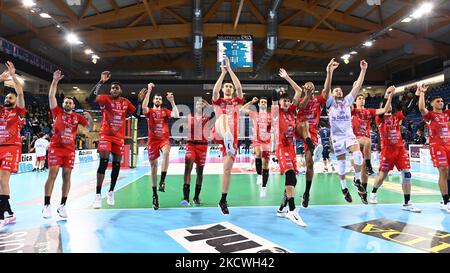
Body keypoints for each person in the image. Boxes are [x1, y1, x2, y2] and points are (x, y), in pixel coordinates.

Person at [279, 58, 339, 207]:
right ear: (304, 88)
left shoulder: (319, 100)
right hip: (298, 128)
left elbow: (327, 89)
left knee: (310, 164)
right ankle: (313, 147)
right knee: (304, 124)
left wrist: (329, 72)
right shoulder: (300, 100)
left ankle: (306, 193)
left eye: (311, 86)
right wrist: (306, 93)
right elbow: (302, 105)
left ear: (314, 90)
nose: (309, 86)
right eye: (307, 86)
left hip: (311, 134)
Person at [42, 70, 93, 218]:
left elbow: (90, 128)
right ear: (63, 103)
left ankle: (63, 206)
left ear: (73, 105)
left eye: (70, 102)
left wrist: (89, 118)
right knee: (52, 175)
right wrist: (55, 81)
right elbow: (51, 95)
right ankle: (46, 205)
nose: (68, 103)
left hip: (70, 150)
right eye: (66, 102)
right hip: (56, 149)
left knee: (67, 177)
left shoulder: (77, 117)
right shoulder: (57, 112)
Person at [89, 71, 136, 209]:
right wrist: (101, 82)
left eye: (117, 88)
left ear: (120, 90)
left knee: (116, 165)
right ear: (110, 90)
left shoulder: (126, 102)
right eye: (113, 88)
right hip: (105, 134)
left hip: (119, 137)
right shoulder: (105, 98)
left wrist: (139, 101)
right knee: (103, 161)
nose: (114, 90)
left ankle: (111, 192)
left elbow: (137, 113)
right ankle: (98, 195)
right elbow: (90, 99)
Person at [369, 85, 421, 212]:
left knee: (407, 174)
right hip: (387, 151)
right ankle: (373, 192)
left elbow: (409, 109)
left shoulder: (396, 116)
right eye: (387, 105)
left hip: (400, 150)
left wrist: (418, 93)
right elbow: (385, 106)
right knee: (382, 175)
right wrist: (389, 94)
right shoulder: (379, 119)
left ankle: (407, 203)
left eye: (390, 105)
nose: (389, 106)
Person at [326, 60, 368, 203]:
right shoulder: (330, 104)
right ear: (332, 94)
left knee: (358, 156)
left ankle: (356, 180)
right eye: (336, 90)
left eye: (340, 90)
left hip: (349, 134)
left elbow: (358, 87)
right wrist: (330, 72)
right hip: (337, 137)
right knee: (342, 164)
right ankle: (344, 188)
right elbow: (327, 88)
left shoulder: (347, 102)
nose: (339, 91)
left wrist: (363, 70)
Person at [272, 86, 313, 227]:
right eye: (283, 100)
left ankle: (281, 208)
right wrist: (276, 95)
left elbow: (298, 92)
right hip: (281, 148)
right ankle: (292, 210)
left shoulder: (291, 111)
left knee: (293, 180)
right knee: (289, 175)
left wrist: (287, 77)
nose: (286, 102)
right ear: (278, 102)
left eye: (288, 101)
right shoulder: (276, 111)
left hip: (291, 148)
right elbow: (274, 102)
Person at [211, 56, 244, 215]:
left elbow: (239, 87)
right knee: (223, 118)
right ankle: (227, 136)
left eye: (230, 86)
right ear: (224, 90)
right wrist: (223, 73)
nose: (230, 88)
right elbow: (215, 91)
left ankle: (223, 200)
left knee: (227, 170)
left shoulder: (237, 101)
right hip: (219, 132)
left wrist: (230, 69)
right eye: (227, 86)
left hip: (233, 140)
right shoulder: (218, 101)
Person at [140, 83, 179, 210]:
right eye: (156, 98)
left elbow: (177, 115)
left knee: (167, 152)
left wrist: (172, 102)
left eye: (160, 99)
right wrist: (150, 90)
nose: (158, 100)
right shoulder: (150, 111)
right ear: (153, 100)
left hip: (163, 139)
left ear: (162, 101)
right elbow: (144, 106)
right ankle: (155, 195)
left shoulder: (165, 111)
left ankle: (162, 181)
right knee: (153, 167)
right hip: (152, 142)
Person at [0, 61, 25, 228]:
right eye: (6, 97)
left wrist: (13, 75)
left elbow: (21, 93)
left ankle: (1, 216)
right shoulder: (1, 110)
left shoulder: (19, 111)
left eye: (10, 97)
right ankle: (8, 211)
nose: (7, 99)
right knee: (0, 182)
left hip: (12, 147)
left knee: (3, 179)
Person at [418, 83, 450, 213]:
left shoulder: (447, 114)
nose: (441, 103)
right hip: (437, 146)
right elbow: (421, 108)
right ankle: (446, 202)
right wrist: (422, 93)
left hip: (448, 145)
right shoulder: (430, 115)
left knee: (449, 173)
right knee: (443, 170)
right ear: (432, 104)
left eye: (442, 101)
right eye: (438, 101)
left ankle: (447, 199)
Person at [181, 99, 211, 206]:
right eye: (197, 103)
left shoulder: (207, 117)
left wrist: (208, 105)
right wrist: (184, 126)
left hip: (202, 146)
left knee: (199, 172)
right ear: (195, 106)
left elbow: (217, 113)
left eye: (201, 103)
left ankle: (196, 197)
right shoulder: (189, 117)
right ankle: (185, 197)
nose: (199, 105)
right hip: (191, 145)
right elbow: (183, 126)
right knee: (187, 168)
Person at [241, 97, 271, 197]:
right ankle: (259, 175)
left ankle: (264, 187)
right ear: (259, 104)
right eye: (261, 102)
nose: (263, 103)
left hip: (267, 141)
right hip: (257, 140)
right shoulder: (255, 114)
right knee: (258, 152)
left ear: (266, 105)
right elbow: (242, 109)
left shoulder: (270, 116)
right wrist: (251, 102)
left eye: (265, 102)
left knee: (266, 164)